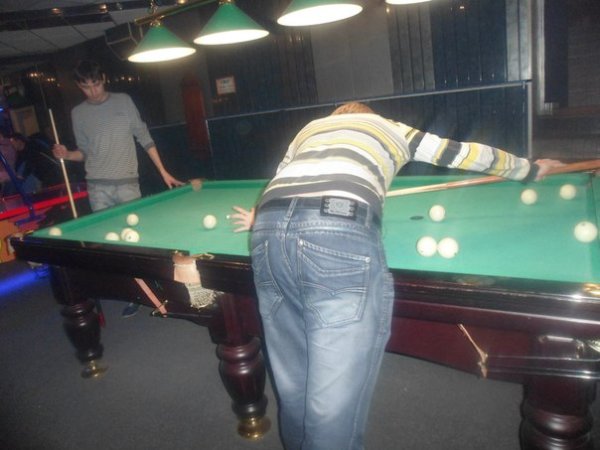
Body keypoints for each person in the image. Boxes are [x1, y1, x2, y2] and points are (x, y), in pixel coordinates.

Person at [229, 102, 563, 450]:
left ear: (334, 119)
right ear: (370, 116)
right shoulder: (393, 128)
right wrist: (529, 169)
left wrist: (260, 217)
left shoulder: (309, 129)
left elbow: (283, 177)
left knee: (294, 381)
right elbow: (467, 153)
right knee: (332, 406)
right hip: (336, 227)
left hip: (268, 230)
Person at [52, 60, 184, 317]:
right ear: (79, 86)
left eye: (96, 84)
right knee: (110, 245)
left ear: (103, 78)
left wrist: (163, 171)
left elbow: (144, 137)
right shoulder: (78, 113)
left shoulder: (123, 101)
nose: (93, 91)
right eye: (86, 87)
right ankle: (133, 293)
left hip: (126, 185)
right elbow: (84, 153)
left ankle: (155, 290)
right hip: (97, 187)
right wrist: (66, 154)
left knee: (136, 242)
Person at [0, 126, 17, 196]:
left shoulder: (4, 146)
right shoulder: (9, 144)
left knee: (8, 199)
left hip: (6, 178)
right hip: (9, 176)